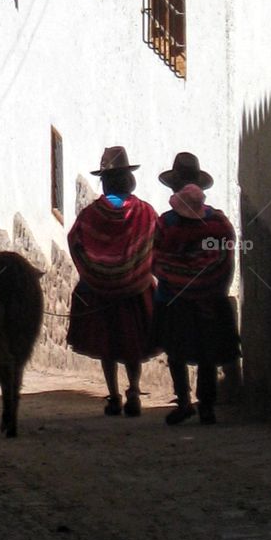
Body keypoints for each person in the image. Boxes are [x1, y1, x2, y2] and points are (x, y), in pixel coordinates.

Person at [67, 146, 158, 416]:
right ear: (128, 179)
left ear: (105, 181)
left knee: (106, 343)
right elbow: (155, 239)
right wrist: (136, 268)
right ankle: (134, 390)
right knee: (133, 342)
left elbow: (76, 241)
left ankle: (114, 395)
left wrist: (94, 271)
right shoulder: (144, 211)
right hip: (136, 289)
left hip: (99, 291)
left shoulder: (91, 214)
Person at [152, 152, 241, 426]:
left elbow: (156, 259)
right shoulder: (218, 221)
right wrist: (207, 283)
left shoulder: (166, 223)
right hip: (210, 301)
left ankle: (184, 400)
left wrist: (178, 277)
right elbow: (225, 259)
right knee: (207, 353)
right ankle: (207, 406)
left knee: (175, 350)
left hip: (174, 299)